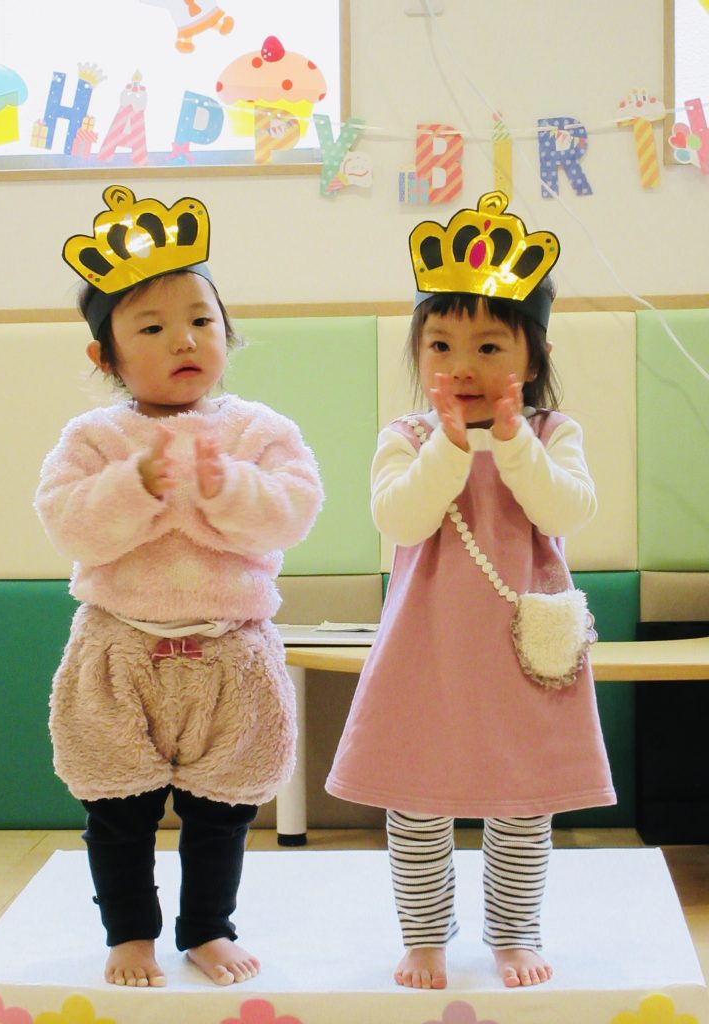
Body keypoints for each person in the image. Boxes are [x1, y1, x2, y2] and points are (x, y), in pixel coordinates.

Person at [326, 191, 615, 991]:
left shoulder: (552, 434)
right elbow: (400, 519)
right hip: (426, 654)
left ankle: (514, 931)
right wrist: (450, 449)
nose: (463, 365)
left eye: (489, 346)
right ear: (419, 357)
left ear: (533, 357)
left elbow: (567, 511)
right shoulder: (406, 438)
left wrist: (512, 442)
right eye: (441, 345)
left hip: (524, 656)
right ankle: (424, 936)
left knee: (523, 803)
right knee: (416, 803)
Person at [35, 186, 323, 990]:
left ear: (228, 332)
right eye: (152, 327)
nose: (184, 339)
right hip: (119, 648)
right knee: (116, 807)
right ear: (106, 356)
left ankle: (207, 929)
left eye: (201, 319)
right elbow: (66, 523)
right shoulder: (95, 437)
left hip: (232, 651)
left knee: (224, 807)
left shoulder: (259, 431)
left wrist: (227, 483)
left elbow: (294, 512)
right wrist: (134, 483)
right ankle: (130, 934)